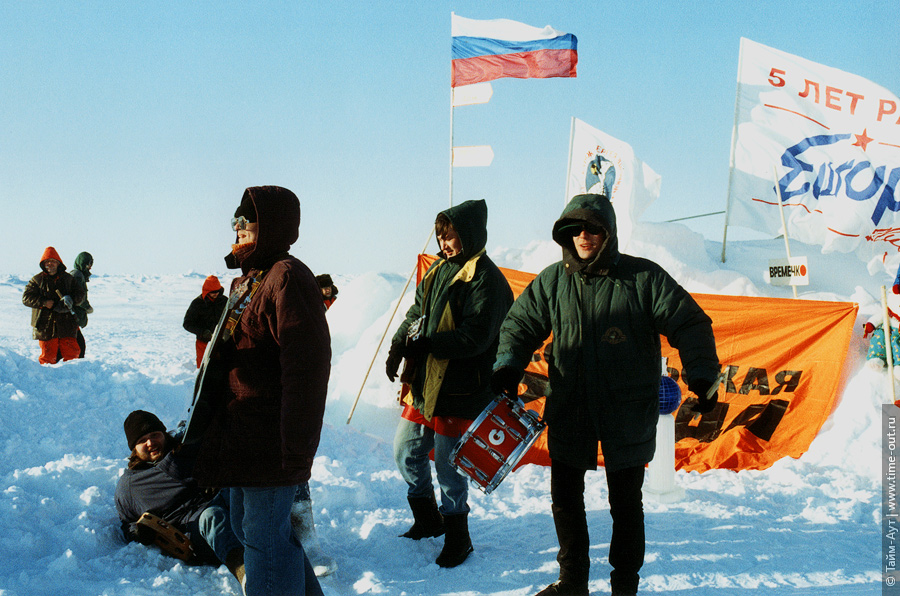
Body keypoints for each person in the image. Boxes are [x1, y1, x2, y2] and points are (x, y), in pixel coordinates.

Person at [491, 194, 720, 596]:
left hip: (626, 412)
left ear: (608, 233)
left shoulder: (642, 278)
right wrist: (508, 365)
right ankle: (573, 583)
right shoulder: (553, 280)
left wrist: (702, 373)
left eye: (593, 228)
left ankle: (624, 589)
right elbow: (520, 324)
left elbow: (689, 322)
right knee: (564, 500)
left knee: (626, 506)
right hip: (571, 407)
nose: (583, 235)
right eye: (575, 228)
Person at [193, 186, 330, 596]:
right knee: (246, 527)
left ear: (269, 226)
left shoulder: (287, 278)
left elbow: (307, 370)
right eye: (233, 222)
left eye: (244, 222)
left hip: (270, 439)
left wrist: (296, 446)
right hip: (242, 435)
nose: (236, 229)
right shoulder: (252, 279)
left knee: (265, 544)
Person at [385, 199, 513, 568]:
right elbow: (416, 313)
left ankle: (459, 536)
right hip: (426, 383)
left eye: (452, 237)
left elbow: (477, 336)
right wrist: (398, 346)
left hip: (461, 389)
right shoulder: (439, 270)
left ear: (470, 236)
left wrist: (430, 344)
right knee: (405, 451)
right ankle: (428, 517)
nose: (446, 244)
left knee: (448, 467)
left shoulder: (486, 279)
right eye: (442, 236)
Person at [114, 410, 245, 588]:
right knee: (212, 517)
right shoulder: (130, 486)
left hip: (226, 502)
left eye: (155, 435)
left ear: (164, 434)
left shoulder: (184, 448)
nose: (151, 442)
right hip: (196, 530)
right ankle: (247, 573)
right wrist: (139, 532)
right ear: (134, 449)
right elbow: (127, 523)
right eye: (142, 440)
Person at [22, 247, 85, 364]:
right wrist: (43, 302)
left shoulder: (68, 279)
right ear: (43, 264)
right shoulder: (37, 280)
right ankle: (47, 379)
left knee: (72, 354)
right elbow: (26, 298)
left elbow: (80, 294)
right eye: (47, 261)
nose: (50, 264)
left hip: (67, 323)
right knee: (47, 357)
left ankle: (73, 378)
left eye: (53, 261)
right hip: (45, 325)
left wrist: (72, 299)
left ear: (58, 263)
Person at [182, 275, 227, 368]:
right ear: (207, 291)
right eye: (213, 292)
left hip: (222, 343)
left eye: (218, 291)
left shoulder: (224, 301)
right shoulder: (197, 304)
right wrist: (202, 332)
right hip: (204, 344)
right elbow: (187, 324)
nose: (216, 294)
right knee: (204, 370)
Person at [70, 251, 94, 358]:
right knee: (79, 347)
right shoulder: (77, 275)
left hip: (73, 317)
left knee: (79, 346)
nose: (90, 267)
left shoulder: (79, 275)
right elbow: (79, 297)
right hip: (71, 317)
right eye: (88, 263)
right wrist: (87, 307)